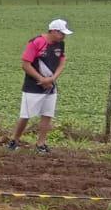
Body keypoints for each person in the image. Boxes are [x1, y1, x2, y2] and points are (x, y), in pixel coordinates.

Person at [7, 18, 71, 154]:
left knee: (47, 114)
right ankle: (14, 141)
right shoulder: (36, 42)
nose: (64, 36)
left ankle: (41, 144)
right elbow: (25, 64)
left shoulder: (61, 44)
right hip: (33, 86)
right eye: (61, 33)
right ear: (53, 31)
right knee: (26, 115)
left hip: (50, 86)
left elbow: (62, 62)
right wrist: (41, 79)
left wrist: (52, 79)